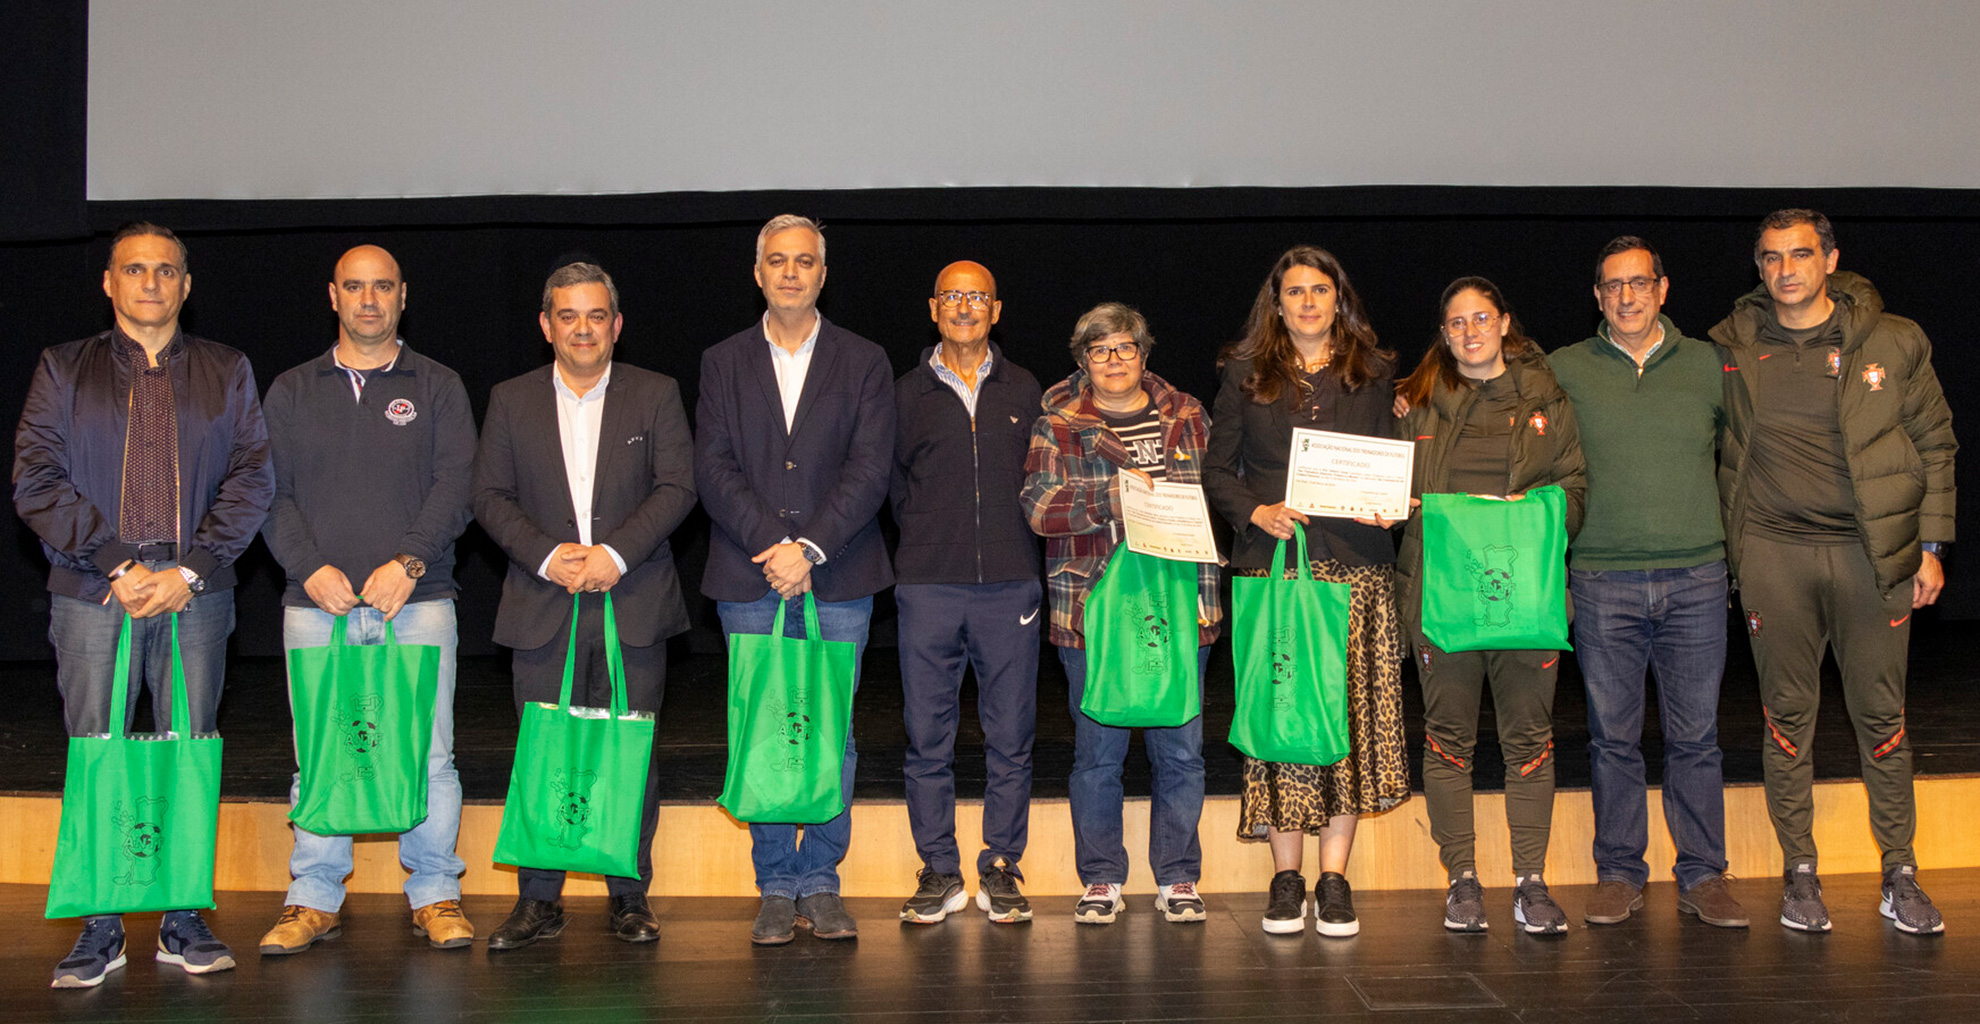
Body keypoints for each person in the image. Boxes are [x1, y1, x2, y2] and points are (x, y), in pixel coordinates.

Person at [14, 222, 273, 987]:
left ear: (186, 286)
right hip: (97, 592)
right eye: (135, 269)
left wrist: (188, 571)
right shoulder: (64, 369)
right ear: (109, 282)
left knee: (188, 753)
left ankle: (181, 916)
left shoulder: (226, 369)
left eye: (166, 270)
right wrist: (119, 563)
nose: (151, 283)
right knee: (97, 755)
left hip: (194, 595)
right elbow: (36, 479)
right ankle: (100, 923)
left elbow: (252, 479)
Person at [1709, 209, 1955, 935]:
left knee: (1884, 718)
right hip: (1773, 557)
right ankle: (1800, 875)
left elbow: (1935, 443)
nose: (1787, 269)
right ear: (1758, 268)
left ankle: (1900, 874)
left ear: (1831, 259)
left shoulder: (1893, 340)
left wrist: (1933, 548)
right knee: (1787, 719)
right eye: (1773, 257)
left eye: (1802, 254)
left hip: (1871, 556)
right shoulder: (1728, 347)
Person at [257, 244, 479, 954]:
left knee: (430, 755)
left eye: (383, 287)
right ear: (333, 296)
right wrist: (308, 566)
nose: (369, 300)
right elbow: (269, 493)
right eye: (355, 287)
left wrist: (408, 562)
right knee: (319, 755)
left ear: (402, 296)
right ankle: (313, 897)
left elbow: (458, 486)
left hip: (417, 600)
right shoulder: (291, 390)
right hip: (314, 604)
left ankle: (437, 891)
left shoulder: (439, 385)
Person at [472, 261, 697, 948]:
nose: (582, 328)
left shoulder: (655, 394)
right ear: (546, 326)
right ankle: (538, 900)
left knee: (630, 753)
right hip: (545, 602)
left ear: (616, 325)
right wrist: (548, 555)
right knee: (543, 753)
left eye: (596, 315)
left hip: (632, 603)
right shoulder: (510, 399)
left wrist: (614, 554)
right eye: (567, 315)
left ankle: (630, 896)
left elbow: (677, 486)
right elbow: (488, 497)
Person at [695, 215, 895, 945]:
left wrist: (807, 547)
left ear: (821, 274)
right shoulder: (722, 361)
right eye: (776, 261)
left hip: (838, 575)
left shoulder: (865, 359)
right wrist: (772, 546)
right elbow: (711, 465)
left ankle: (824, 879)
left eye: (803, 262)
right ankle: (776, 881)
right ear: (757, 274)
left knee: (828, 733)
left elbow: (872, 466)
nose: (789, 273)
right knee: (763, 731)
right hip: (751, 575)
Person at [1202, 245, 1410, 937]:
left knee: (1347, 719)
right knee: (1283, 716)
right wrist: (1253, 512)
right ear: (1277, 302)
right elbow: (1217, 469)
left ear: (1339, 298)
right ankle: (1285, 878)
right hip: (1275, 567)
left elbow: (1388, 461)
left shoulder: (1374, 372)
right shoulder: (1243, 371)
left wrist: (1391, 503)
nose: (1309, 303)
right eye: (1295, 292)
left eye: (1321, 290)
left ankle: (1334, 877)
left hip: (1355, 565)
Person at [1547, 237, 1745, 928]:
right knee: (1612, 738)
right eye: (1613, 286)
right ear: (1597, 297)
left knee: (1696, 736)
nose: (1627, 296)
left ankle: (1703, 874)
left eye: (1639, 283)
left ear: (1663, 289)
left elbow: (1750, 458)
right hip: (1601, 580)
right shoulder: (1563, 369)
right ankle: (1619, 873)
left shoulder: (1709, 365)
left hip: (1696, 576)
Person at [1020, 302, 1222, 926]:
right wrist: (1117, 492)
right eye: (1100, 350)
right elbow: (1038, 508)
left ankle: (1179, 876)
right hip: (1091, 610)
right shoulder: (1057, 422)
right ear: (1083, 361)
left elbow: (1228, 485)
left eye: (1126, 348)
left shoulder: (1188, 414)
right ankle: (1102, 878)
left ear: (1144, 353)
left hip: (1183, 605)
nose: (1114, 360)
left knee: (1181, 752)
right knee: (1097, 755)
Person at [1395, 277, 1584, 935]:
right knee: (1448, 740)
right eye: (1456, 322)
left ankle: (1531, 881)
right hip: (1441, 597)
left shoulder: (1546, 399)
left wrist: (1532, 514)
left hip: (1522, 595)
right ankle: (1463, 882)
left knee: (1528, 739)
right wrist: (1398, 507)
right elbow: (1386, 491)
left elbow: (1576, 488)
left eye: (1481, 318)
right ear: (1443, 334)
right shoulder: (1412, 404)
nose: (1470, 331)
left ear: (1505, 322)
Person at [892, 261, 1044, 924]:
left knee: (1011, 735)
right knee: (929, 737)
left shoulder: (1028, 387)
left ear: (996, 309)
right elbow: (893, 488)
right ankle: (940, 870)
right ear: (932, 308)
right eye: (952, 296)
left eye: (976, 296)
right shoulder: (903, 393)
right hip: (927, 585)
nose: (964, 307)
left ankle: (1002, 866)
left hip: (1010, 583)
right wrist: (930, 538)